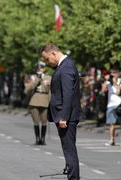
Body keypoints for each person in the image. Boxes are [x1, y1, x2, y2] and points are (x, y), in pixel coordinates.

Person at [41, 43, 81, 180]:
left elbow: (68, 94)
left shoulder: (66, 67)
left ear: (53, 53)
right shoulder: (63, 66)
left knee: (69, 150)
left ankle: (73, 178)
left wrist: (64, 117)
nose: (47, 62)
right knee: (68, 149)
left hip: (66, 117)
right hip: (64, 115)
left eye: (47, 59)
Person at [28, 61, 51, 145]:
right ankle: (37, 139)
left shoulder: (48, 78)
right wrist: (38, 79)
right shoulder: (33, 77)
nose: (40, 69)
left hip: (45, 101)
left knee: (44, 121)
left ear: (44, 68)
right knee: (36, 121)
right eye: (39, 67)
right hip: (35, 101)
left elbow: (51, 90)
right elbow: (28, 88)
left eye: (42, 67)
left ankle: (43, 139)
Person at [102, 68, 121, 146]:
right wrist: (105, 81)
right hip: (110, 105)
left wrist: (116, 83)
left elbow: (118, 92)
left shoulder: (120, 81)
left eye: (114, 72)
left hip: (120, 105)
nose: (113, 74)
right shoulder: (108, 82)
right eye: (111, 73)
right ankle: (112, 140)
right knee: (111, 123)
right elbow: (103, 90)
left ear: (117, 73)